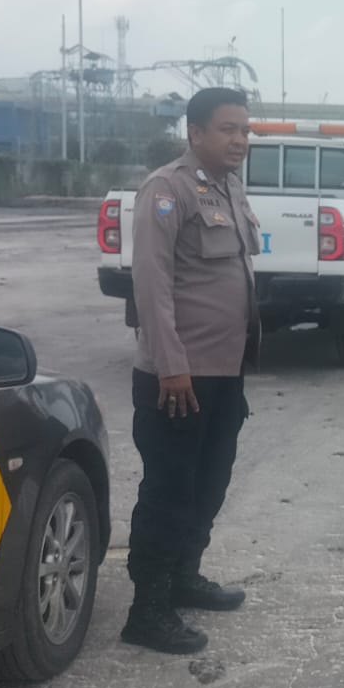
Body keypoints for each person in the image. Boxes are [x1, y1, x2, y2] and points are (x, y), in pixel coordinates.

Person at [123, 86, 259, 655]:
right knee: (170, 490)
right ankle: (148, 609)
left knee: (209, 483)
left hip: (223, 372)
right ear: (195, 133)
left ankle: (184, 575)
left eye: (245, 130)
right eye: (228, 129)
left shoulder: (229, 188)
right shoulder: (166, 190)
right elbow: (151, 285)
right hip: (179, 377)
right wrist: (171, 367)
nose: (239, 140)